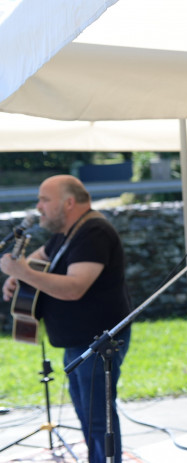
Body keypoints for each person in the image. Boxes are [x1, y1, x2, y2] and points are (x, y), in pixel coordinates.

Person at [1, 175, 132, 463]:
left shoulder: (94, 231)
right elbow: (38, 257)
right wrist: (17, 275)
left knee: (99, 418)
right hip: (79, 342)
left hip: (98, 341)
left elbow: (75, 287)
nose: (38, 207)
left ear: (69, 202)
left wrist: (23, 272)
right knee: (88, 415)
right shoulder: (68, 232)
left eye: (45, 200)